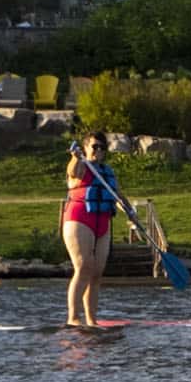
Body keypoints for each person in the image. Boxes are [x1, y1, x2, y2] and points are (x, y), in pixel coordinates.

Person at [62, 134, 121, 328]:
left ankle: (92, 320)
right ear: (86, 148)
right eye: (95, 146)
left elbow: (117, 195)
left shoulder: (107, 171)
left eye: (102, 147)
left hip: (102, 221)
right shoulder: (80, 166)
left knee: (96, 272)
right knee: (83, 267)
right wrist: (75, 157)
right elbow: (72, 173)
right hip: (80, 219)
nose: (99, 150)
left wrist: (130, 211)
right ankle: (73, 318)